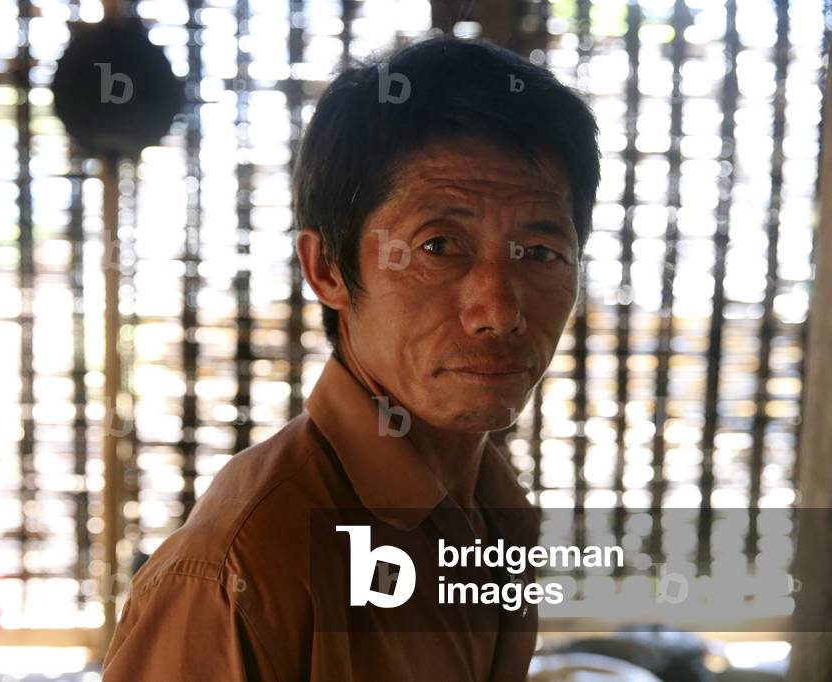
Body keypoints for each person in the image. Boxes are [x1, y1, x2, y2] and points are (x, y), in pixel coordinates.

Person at [103, 35, 600, 681]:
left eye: (539, 252)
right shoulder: (244, 562)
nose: (499, 309)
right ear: (328, 268)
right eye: (439, 244)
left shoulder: (496, 515)